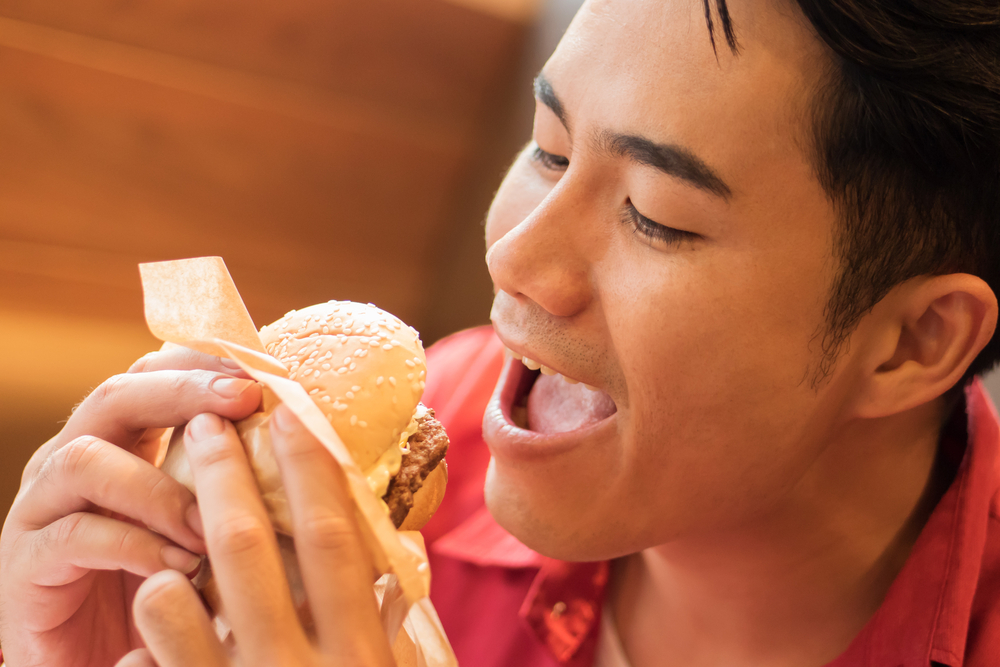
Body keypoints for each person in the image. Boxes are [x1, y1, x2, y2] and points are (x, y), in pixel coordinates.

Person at [2, 0, 999, 665]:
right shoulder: (409, 447)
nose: (514, 260)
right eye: (548, 147)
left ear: (912, 341)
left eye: (655, 213)